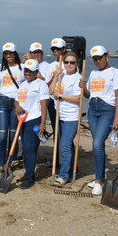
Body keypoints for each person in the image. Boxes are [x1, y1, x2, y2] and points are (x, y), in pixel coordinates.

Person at [80, 45, 118, 195]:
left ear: (107, 56)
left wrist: (117, 117)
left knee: (97, 143)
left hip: (107, 110)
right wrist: (83, 88)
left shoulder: (115, 72)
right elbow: (88, 95)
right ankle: (101, 176)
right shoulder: (92, 73)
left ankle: (98, 181)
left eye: (100, 57)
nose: (98, 61)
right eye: (95, 59)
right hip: (93, 109)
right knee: (97, 144)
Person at [14, 59, 49, 189]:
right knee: (25, 148)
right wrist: (17, 106)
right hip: (22, 120)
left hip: (34, 119)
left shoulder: (41, 84)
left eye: (31, 71)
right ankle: (28, 173)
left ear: (36, 71)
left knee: (30, 149)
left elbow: (44, 104)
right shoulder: (23, 84)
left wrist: (43, 123)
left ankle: (30, 177)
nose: (28, 73)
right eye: (26, 70)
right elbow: (17, 100)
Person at [49, 51, 82, 186]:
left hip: (71, 117)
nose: (69, 64)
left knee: (64, 145)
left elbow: (79, 98)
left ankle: (64, 175)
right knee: (66, 144)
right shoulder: (61, 76)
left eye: (72, 62)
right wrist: (56, 76)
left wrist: (61, 96)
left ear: (76, 64)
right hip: (59, 115)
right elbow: (51, 91)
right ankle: (72, 168)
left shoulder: (78, 78)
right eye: (66, 62)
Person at [0, 42, 24, 169]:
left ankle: (11, 161)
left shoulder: (22, 68)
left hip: (16, 103)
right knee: (2, 136)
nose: (8, 55)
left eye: (10, 53)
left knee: (13, 135)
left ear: (15, 53)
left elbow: (26, 86)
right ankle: (1, 163)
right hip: (2, 102)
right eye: (6, 53)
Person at [47, 38, 67, 133]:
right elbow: (47, 85)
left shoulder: (69, 64)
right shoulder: (50, 66)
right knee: (56, 129)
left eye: (57, 48)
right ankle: (58, 146)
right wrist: (54, 77)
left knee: (65, 128)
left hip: (64, 99)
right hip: (52, 99)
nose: (55, 50)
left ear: (63, 49)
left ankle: (66, 147)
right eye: (53, 48)